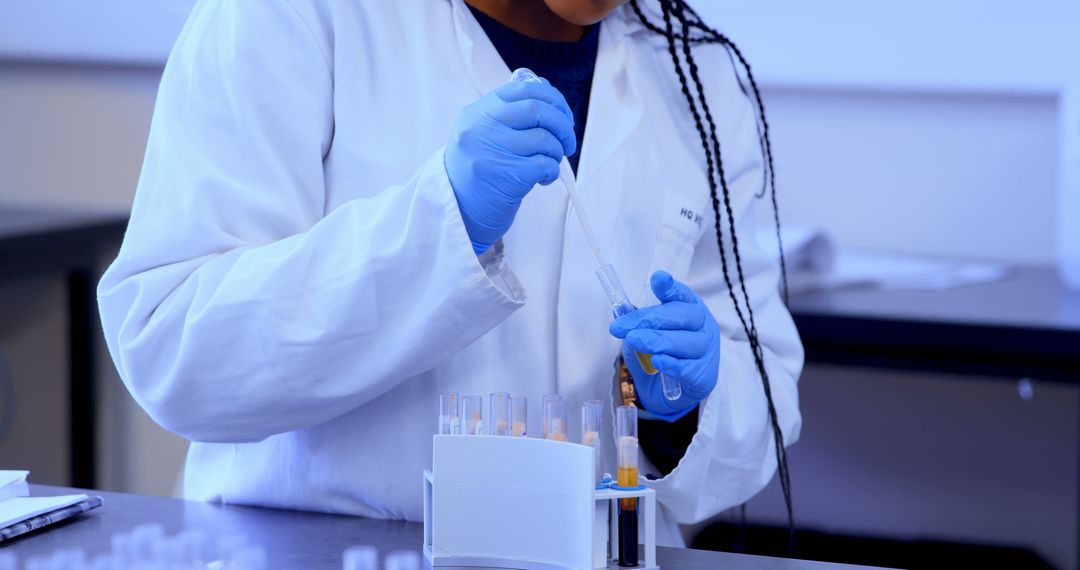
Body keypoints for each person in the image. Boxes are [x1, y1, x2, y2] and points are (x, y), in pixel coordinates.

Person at [98, 0, 803, 545]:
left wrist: (675, 415)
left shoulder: (696, 77)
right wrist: (441, 227)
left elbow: (759, 408)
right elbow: (171, 350)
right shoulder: (295, 17)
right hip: (320, 551)